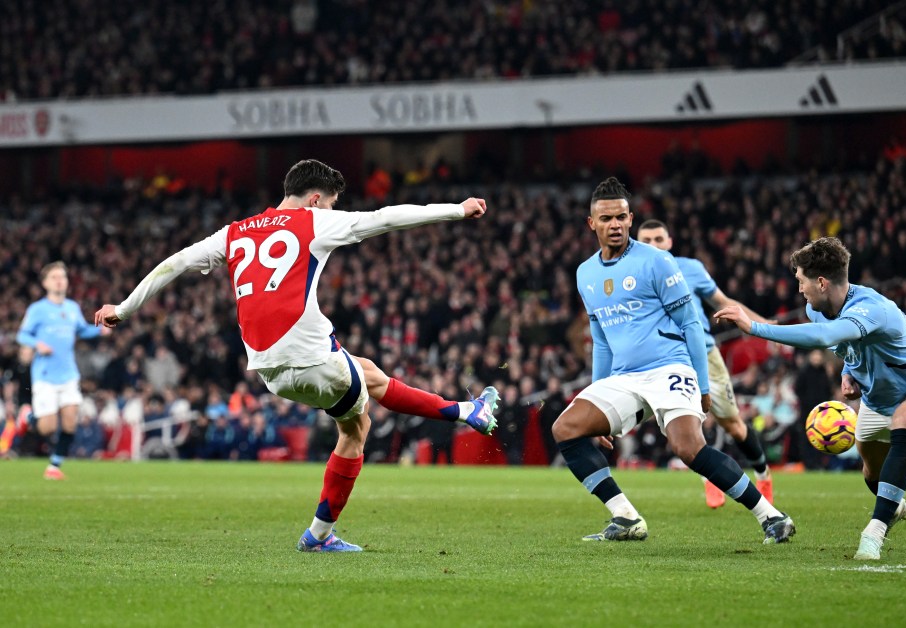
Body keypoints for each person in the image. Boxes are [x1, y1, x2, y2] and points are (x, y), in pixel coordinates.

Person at [94, 159, 500, 553]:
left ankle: (467, 412)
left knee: (369, 374)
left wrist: (125, 308)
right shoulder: (314, 220)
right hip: (309, 356)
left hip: (268, 368)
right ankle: (321, 534)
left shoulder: (235, 232)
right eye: (332, 203)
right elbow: (386, 217)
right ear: (316, 199)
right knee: (357, 428)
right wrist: (456, 210)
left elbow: (177, 262)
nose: (333, 210)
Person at [552, 177, 794, 544]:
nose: (614, 225)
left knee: (688, 448)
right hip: (624, 378)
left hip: (669, 367)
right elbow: (600, 341)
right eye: (606, 219)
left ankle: (772, 517)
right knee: (565, 428)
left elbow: (691, 324)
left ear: (631, 219)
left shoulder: (657, 262)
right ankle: (626, 517)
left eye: (620, 217)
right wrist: (597, 390)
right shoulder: (585, 273)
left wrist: (701, 382)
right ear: (592, 224)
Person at [716, 237, 906, 560]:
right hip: (876, 401)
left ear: (821, 282)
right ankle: (893, 505)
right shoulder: (818, 310)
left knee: (904, 418)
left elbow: (826, 337)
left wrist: (756, 328)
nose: (800, 290)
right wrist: (849, 372)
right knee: (872, 473)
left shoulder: (873, 309)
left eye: (801, 281)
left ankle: (874, 533)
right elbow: (844, 347)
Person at [638, 219, 774, 508]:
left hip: (705, 353)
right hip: (666, 359)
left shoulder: (691, 269)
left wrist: (762, 324)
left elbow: (722, 301)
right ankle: (710, 477)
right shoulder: (633, 275)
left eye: (658, 239)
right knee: (686, 421)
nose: (653, 245)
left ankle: (763, 474)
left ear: (669, 242)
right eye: (646, 240)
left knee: (734, 425)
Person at [16, 261, 111, 479]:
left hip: (68, 374)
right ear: (45, 283)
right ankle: (27, 417)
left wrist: (99, 331)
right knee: (48, 427)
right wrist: (37, 344)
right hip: (45, 376)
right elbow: (22, 335)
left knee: (70, 421)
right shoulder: (38, 310)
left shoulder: (72, 308)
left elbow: (82, 330)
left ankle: (54, 467)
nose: (60, 280)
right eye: (55, 277)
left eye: (63, 277)